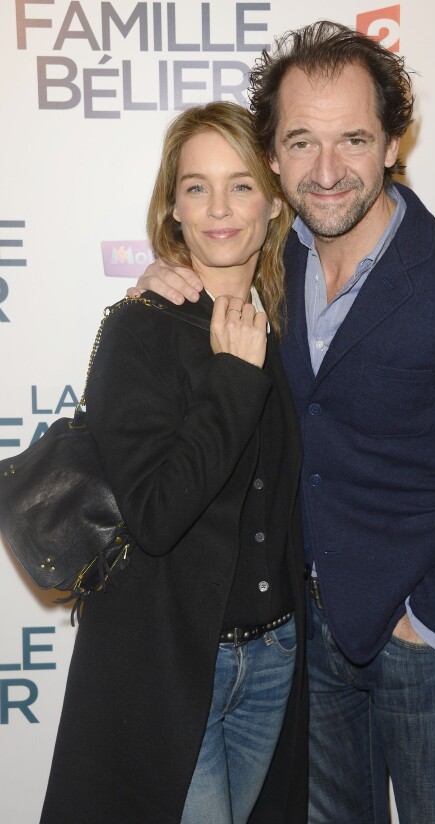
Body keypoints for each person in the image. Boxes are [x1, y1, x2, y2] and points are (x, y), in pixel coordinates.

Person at [132, 21, 435, 824]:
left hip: (427, 641)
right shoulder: (266, 261)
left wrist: (431, 621)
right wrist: (172, 266)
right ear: (274, 155)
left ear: (394, 142)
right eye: (301, 143)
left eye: (353, 139)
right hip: (303, 640)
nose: (327, 171)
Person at [40, 102, 308, 824]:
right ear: (173, 210)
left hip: (275, 660)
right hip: (171, 669)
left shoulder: (283, 323)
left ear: (276, 198)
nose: (220, 208)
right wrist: (233, 378)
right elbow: (156, 516)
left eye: (241, 184)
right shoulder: (140, 330)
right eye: (197, 187)